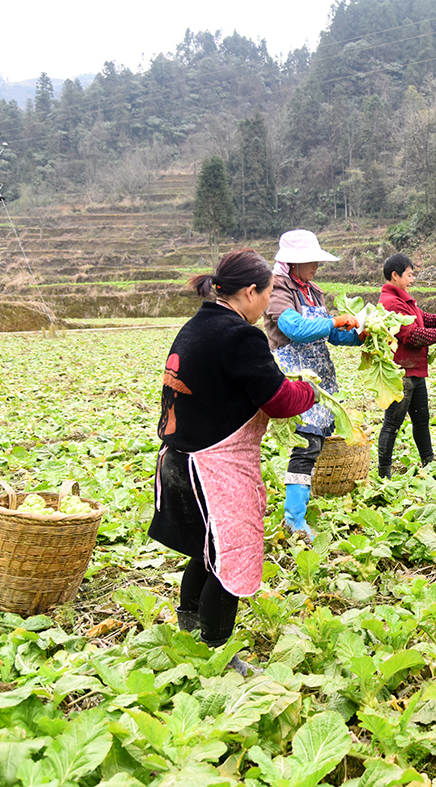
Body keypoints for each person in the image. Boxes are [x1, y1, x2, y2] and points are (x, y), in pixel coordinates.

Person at [149, 249, 316, 676]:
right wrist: (308, 392)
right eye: (268, 294)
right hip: (213, 467)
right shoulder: (240, 336)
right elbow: (279, 401)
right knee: (232, 557)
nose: (268, 305)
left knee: (206, 551)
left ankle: (189, 627)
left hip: (178, 460)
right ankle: (218, 652)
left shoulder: (198, 325)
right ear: (249, 292)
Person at [262, 230, 361, 544]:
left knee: (313, 442)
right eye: (309, 260)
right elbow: (296, 328)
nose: (316, 264)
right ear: (293, 263)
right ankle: (294, 519)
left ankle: (297, 512)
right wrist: (334, 321)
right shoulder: (277, 289)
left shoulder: (313, 292)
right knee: (306, 446)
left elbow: (329, 334)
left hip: (319, 375)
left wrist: (360, 334)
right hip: (295, 377)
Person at [377, 253, 436, 478]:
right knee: (392, 423)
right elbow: (411, 336)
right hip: (402, 372)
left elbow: (424, 318)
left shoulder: (405, 300)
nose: (412, 280)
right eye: (409, 275)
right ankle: (384, 473)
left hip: (415, 370)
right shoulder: (391, 302)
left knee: (421, 419)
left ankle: (429, 464)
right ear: (395, 275)